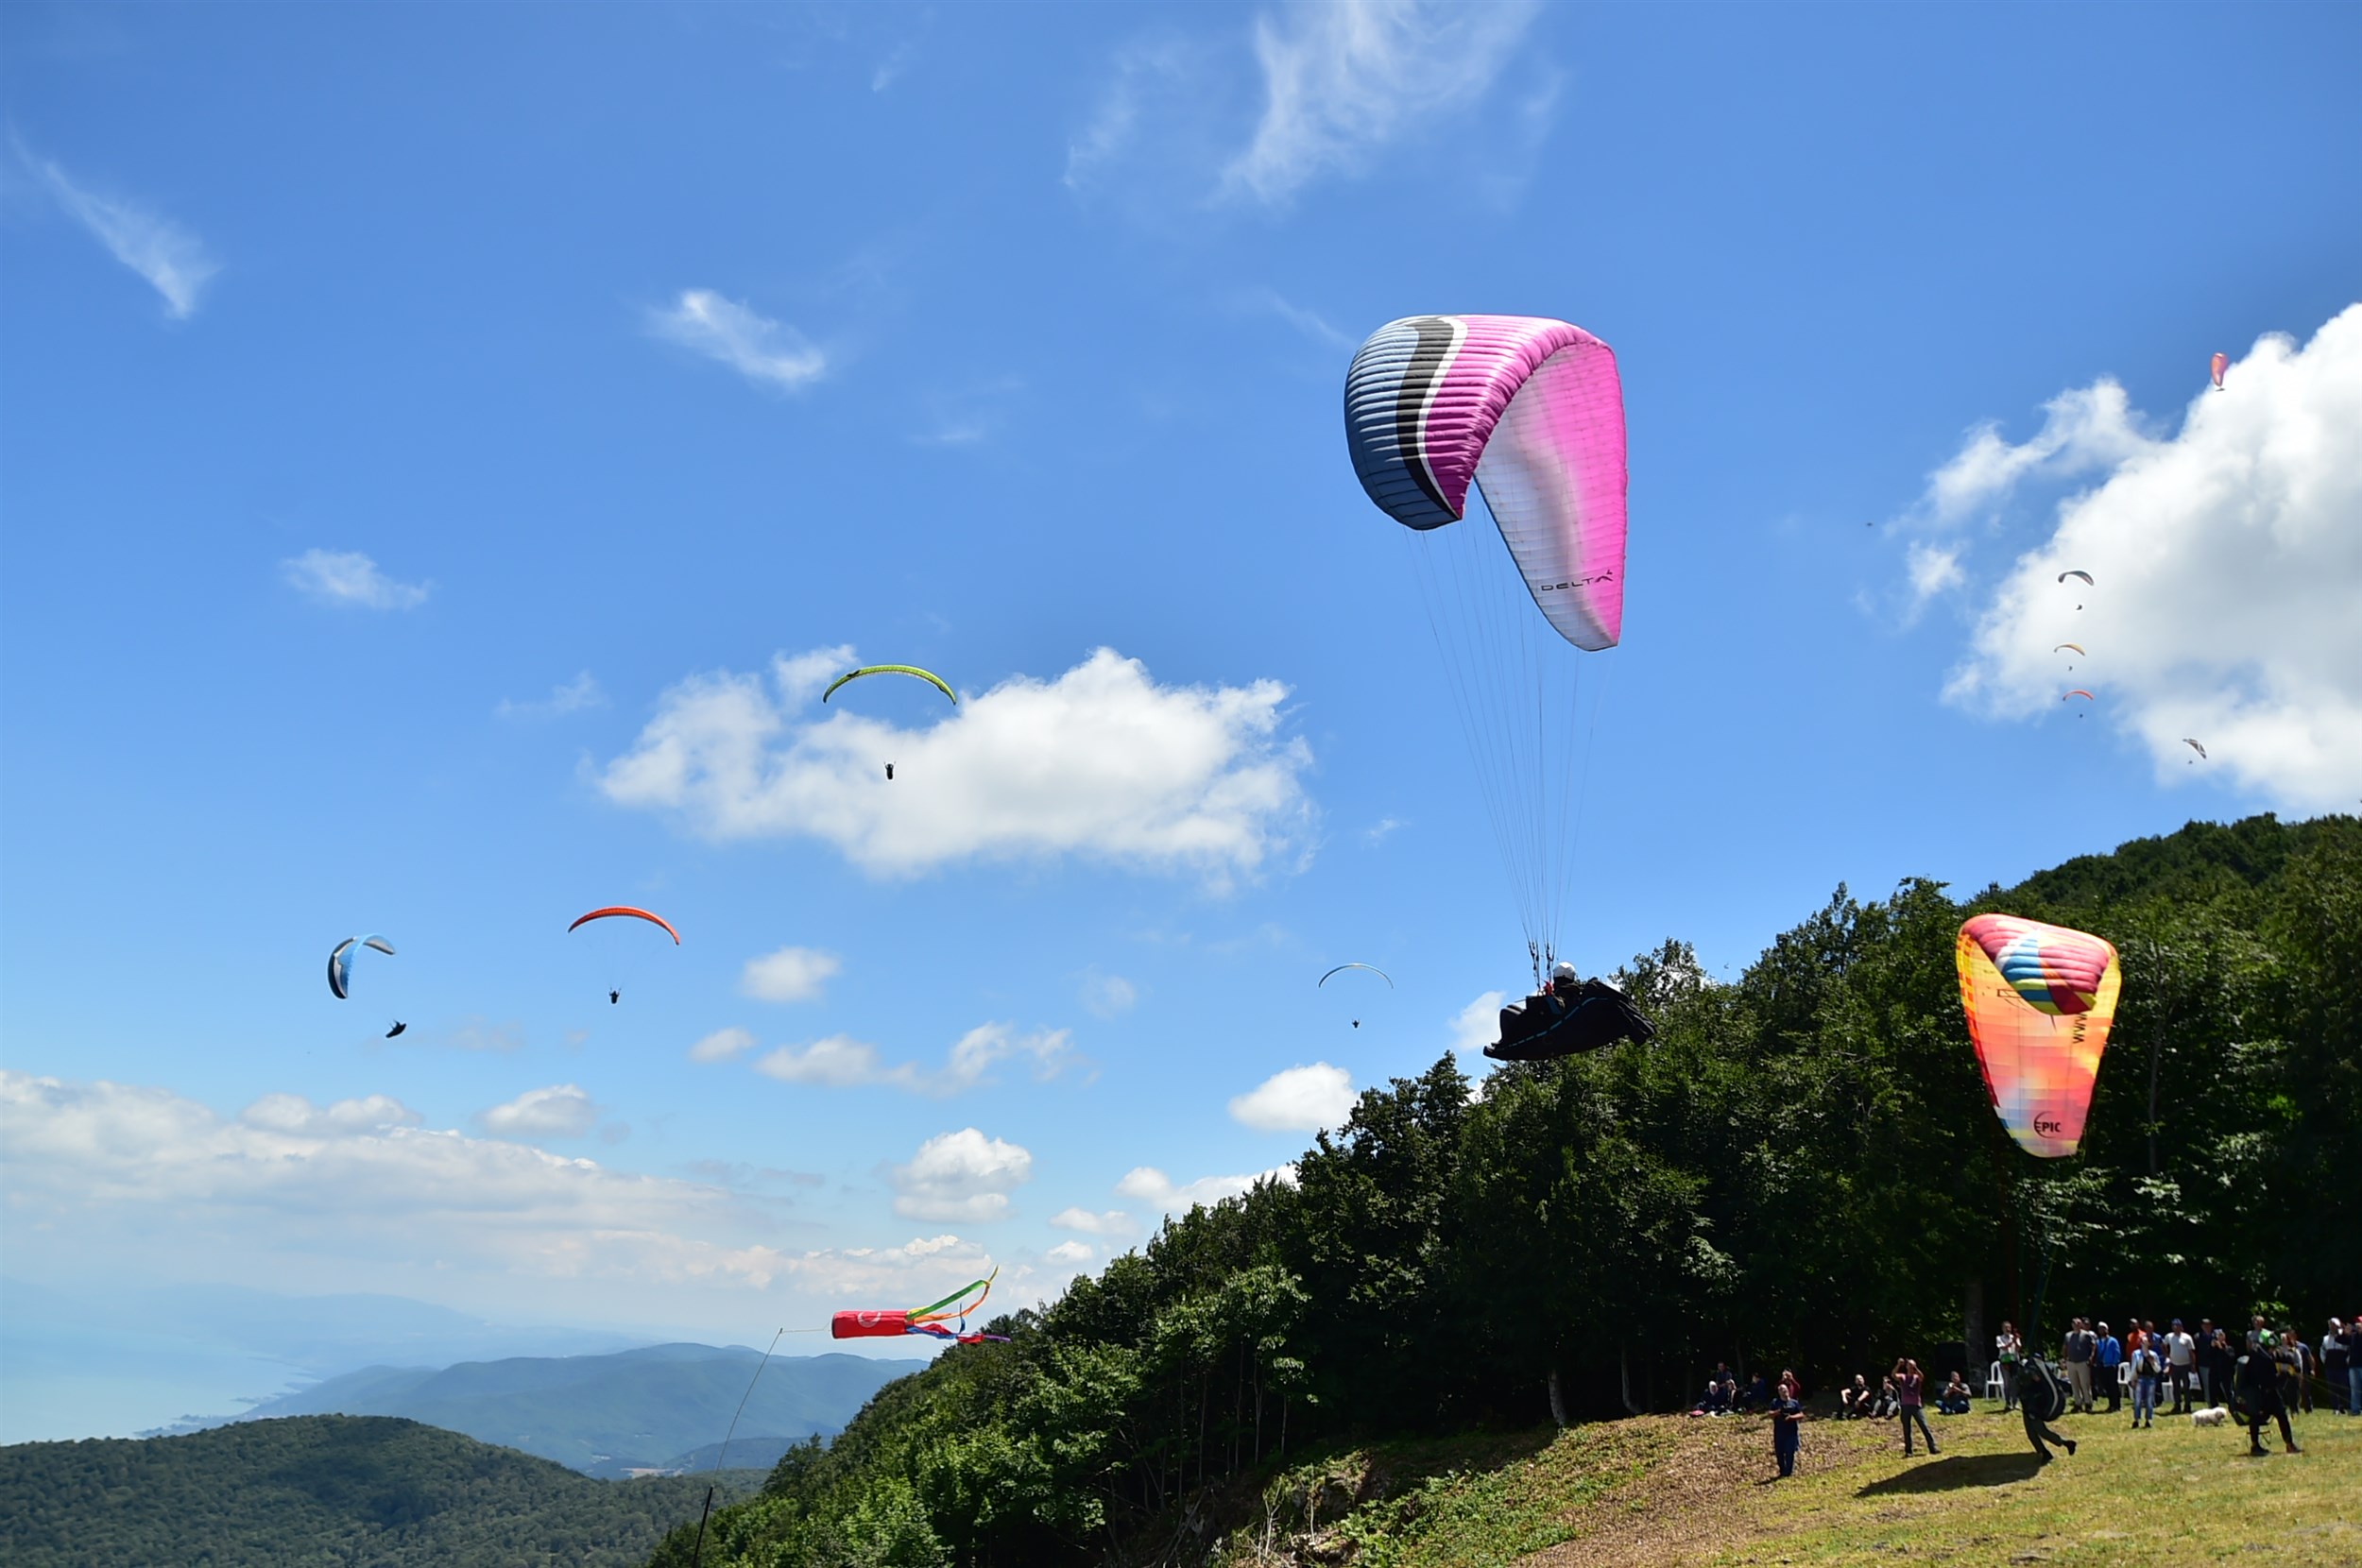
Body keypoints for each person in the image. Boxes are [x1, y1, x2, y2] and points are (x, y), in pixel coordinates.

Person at [2236, 1323, 2301, 1456]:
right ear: (2264, 1345)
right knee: (2256, 1418)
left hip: (2271, 1393)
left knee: (2282, 1415)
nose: (2273, 1350)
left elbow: (2280, 1356)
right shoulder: (2258, 1359)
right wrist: (2285, 1375)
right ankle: (2255, 1446)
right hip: (2259, 1394)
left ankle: (2290, 1444)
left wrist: (2293, 1365)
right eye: (2271, 1348)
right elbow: (2270, 1380)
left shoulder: (2269, 1353)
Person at [2018, 1355, 2078, 1463]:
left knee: (2041, 1430)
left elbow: (2038, 1381)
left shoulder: (2033, 1372)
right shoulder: (2026, 1371)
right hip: (2028, 1405)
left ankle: (2066, 1443)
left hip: (2034, 1405)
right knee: (2031, 1433)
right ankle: (2045, 1453)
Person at [1893, 1358, 1938, 1456]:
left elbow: (1922, 1377)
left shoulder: (1917, 1377)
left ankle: (1933, 1447)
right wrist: (1898, 1365)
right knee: (1907, 1429)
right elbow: (1893, 1375)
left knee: (1924, 1426)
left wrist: (1915, 1368)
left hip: (1916, 1405)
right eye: (1909, 1365)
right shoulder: (1903, 1377)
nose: (1910, 1367)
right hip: (1905, 1406)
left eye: (1912, 1365)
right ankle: (1908, 1451)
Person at [1771, 1372, 1805, 1478]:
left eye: (1785, 1390)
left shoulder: (1794, 1403)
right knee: (1780, 1452)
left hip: (1791, 1431)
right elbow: (1769, 1414)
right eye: (1782, 1390)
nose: (1784, 1392)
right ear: (1779, 1392)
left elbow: (1801, 1415)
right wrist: (1778, 1412)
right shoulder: (1775, 1403)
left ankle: (1788, 1472)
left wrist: (1791, 1418)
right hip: (1779, 1432)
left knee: (1790, 1452)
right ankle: (1782, 1470)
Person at [2062, 1317, 2097, 1414]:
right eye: (2074, 1323)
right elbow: (2065, 1347)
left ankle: (2088, 1403)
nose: (2076, 1325)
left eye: (2078, 1323)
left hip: (2083, 1362)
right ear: (2072, 1325)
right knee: (2074, 1384)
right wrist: (2064, 1359)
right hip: (2071, 1362)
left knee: (2085, 1384)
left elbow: (2093, 1346)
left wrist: (2091, 1357)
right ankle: (2078, 1403)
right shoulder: (2068, 1335)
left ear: (2081, 1324)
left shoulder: (2086, 1335)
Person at [2131, 1334, 2162, 1429]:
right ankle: (2136, 1420)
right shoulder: (2136, 1354)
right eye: (2142, 1342)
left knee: (2149, 1401)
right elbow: (2134, 1368)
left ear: (2149, 1343)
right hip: (2140, 1378)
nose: (2144, 1343)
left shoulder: (2154, 1354)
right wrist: (2132, 1380)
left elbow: (2158, 1370)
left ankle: (2148, 1420)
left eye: (2146, 1342)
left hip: (2150, 1379)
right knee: (2138, 1400)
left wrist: (2153, 1362)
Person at [2165, 1320, 2197, 1413]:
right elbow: (2163, 1345)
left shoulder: (2187, 1337)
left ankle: (2187, 1406)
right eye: (2174, 1325)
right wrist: (2167, 1356)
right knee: (2176, 1387)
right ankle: (2177, 1405)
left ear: (2181, 1327)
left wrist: (2193, 1364)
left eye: (2177, 1325)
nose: (2175, 1327)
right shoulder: (2169, 1336)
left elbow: (2191, 1352)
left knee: (2186, 1387)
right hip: (2174, 1365)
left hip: (2185, 1365)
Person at [2322, 1320, 2349, 1417]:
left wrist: (2347, 1360)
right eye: (2330, 1325)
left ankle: (2344, 1406)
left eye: (2334, 1325)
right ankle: (2335, 1408)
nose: (2332, 1327)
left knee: (2344, 1387)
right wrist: (2324, 1361)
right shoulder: (2326, 1338)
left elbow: (2349, 1350)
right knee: (2332, 1388)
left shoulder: (2344, 1337)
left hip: (2342, 1366)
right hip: (2330, 1367)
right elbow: (2322, 1351)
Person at [2096, 1321, 2122, 1413]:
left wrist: (2115, 1363)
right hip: (2102, 1366)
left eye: (2103, 1328)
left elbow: (2117, 1353)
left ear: (2107, 1330)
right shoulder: (2098, 1342)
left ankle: (2117, 1405)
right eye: (2100, 1329)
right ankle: (2111, 1404)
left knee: (2113, 1386)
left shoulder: (2113, 1341)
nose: (2101, 1330)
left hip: (2111, 1366)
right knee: (2107, 1386)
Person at [1995, 1321, 2023, 1411]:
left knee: (2015, 1382)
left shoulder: (2014, 1337)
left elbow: (2018, 1348)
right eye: (2006, 1327)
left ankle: (2015, 1402)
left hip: (2014, 1361)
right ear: (2002, 1329)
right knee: (2007, 1383)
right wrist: (2012, 1342)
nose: (2008, 1329)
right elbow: (2003, 1347)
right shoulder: (1999, 1338)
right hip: (2005, 1362)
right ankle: (2008, 1403)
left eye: (2009, 1327)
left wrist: (2016, 1341)